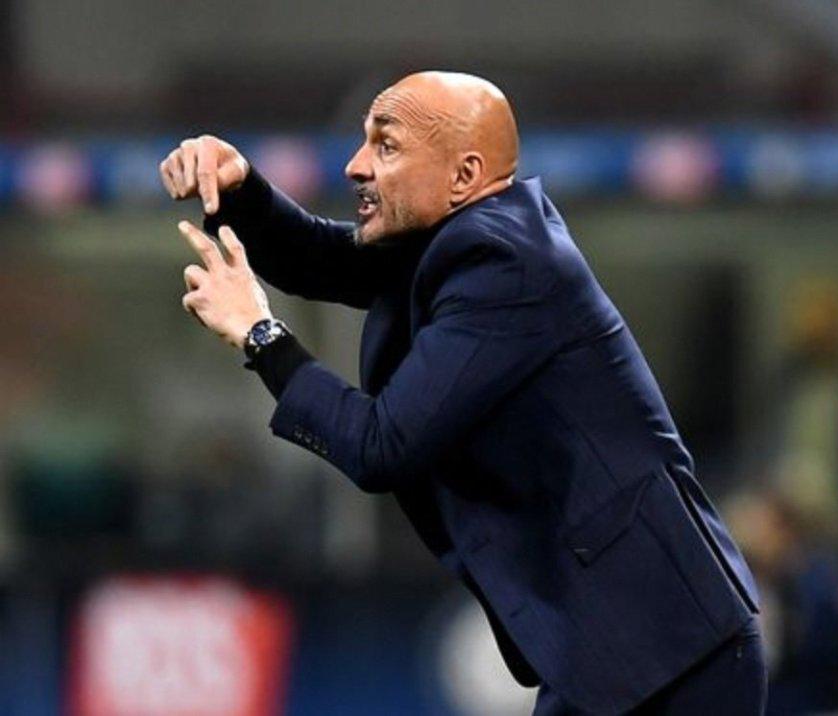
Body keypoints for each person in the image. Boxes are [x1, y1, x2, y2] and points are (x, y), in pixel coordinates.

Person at [158, 71, 765, 715]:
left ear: (464, 175)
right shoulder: (465, 240)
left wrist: (261, 334)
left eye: (386, 145)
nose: (356, 165)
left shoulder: (503, 262)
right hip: (623, 643)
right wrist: (241, 189)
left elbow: (380, 445)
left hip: (668, 645)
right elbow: (329, 260)